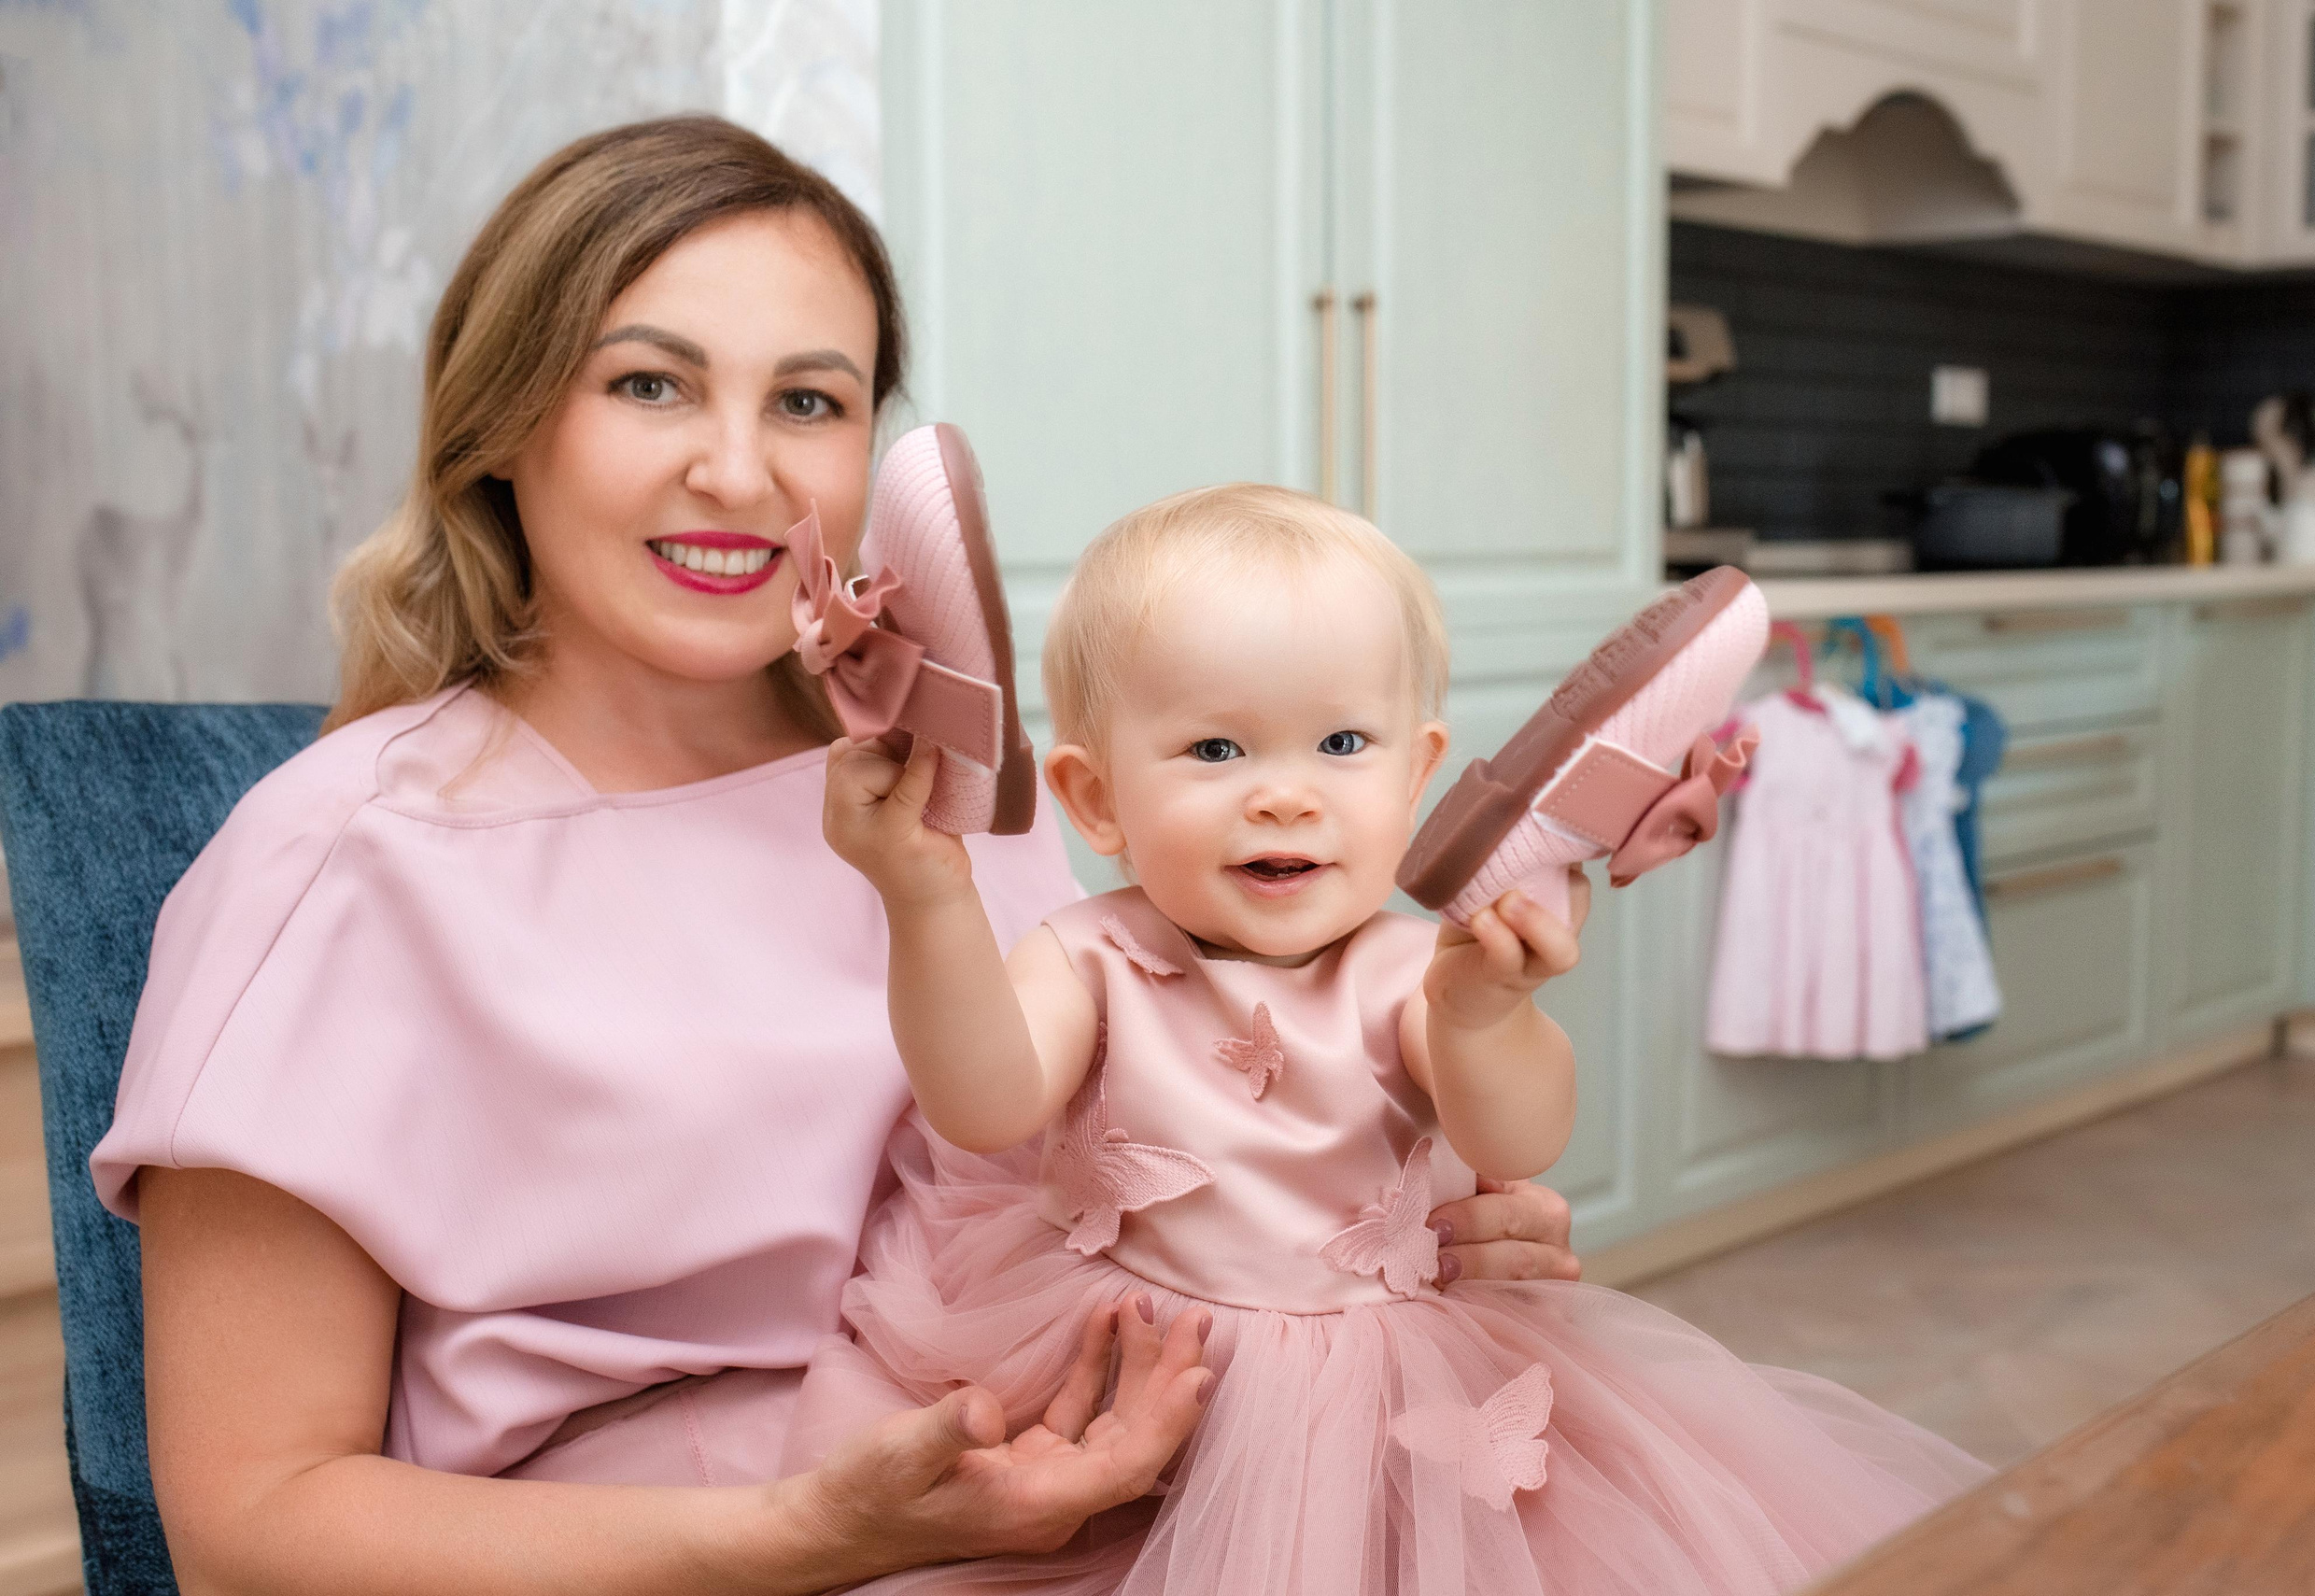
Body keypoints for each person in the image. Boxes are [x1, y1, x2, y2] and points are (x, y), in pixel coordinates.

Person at [85, 117, 1586, 1594]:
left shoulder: (948, 798)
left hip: (1060, 1495)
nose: (740, 474)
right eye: (651, 384)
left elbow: (1132, 1138)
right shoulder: (339, 866)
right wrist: (810, 1533)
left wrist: (1379, 1213)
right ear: (503, 420)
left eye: (808, 402)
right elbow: (251, 1524)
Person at [803, 486, 1991, 1593]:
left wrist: (1484, 1013)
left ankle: (1539, 826)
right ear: (1095, 795)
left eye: (1342, 745)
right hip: (1115, 1347)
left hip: (1365, 1383)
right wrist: (929, 896)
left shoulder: (1410, 967)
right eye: (1217, 750)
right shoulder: (1090, 952)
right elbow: (986, 1101)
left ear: (1420, 773)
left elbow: (1518, 1131)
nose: (1286, 794)